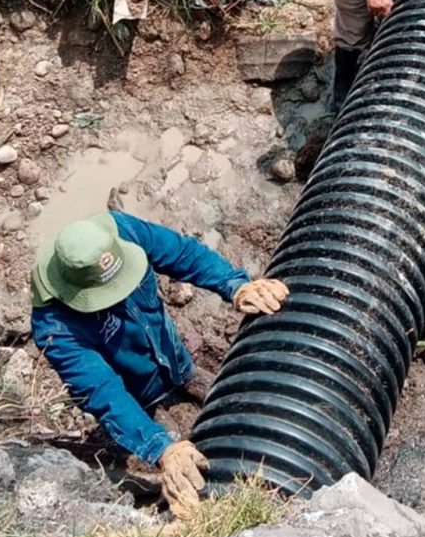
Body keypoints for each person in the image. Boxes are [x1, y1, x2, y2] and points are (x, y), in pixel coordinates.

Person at [30, 210, 288, 517]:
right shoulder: (56, 327)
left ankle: (187, 381)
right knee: (187, 458)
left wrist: (235, 285)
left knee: (224, 394)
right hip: (138, 395)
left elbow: (182, 254)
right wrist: (161, 449)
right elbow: (103, 393)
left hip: (173, 357)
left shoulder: (121, 230)